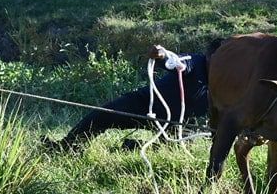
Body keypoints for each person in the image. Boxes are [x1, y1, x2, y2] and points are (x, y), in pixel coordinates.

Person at [45, 46, 210, 149]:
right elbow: (176, 62)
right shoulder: (197, 61)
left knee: (177, 150)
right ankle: (67, 146)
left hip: (180, 122)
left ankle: (133, 146)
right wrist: (161, 55)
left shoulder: (228, 85)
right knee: (103, 115)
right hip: (146, 103)